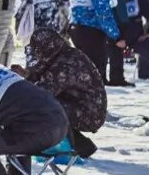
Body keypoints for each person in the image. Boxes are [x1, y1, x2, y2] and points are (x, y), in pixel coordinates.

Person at [23, 28, 106, 158]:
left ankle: (69, 146)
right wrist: (28, 75)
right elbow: (41, 70)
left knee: (45, 107)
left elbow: (41, 94)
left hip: (89, 113)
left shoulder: (66, 64)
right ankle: (80, 144)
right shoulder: (62, 53)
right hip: (79, 105)